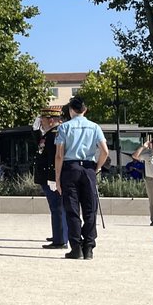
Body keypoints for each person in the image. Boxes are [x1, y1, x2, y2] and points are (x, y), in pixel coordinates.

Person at [54, 97, 110, 260]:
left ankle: (76, 247)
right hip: (88, 168)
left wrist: (57, 178)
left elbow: (59, 155)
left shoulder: (64, 127)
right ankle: (89, 247)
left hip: (70, 168)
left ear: (71, 110)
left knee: (72, 210)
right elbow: (105, 151)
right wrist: (97, 167)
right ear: (85, 110)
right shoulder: (94, 127)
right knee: (90, 209)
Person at [34, 107, 68, 248]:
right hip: (49, 176)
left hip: (52, 177)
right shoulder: (49, 134)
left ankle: (60, 240)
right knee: (56, 208)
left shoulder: (54, 135)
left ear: (51, 120)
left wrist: (54, 178)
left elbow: (55, 158)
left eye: (42, 119)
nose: (41, 121)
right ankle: (59, 235)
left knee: (57, 208)